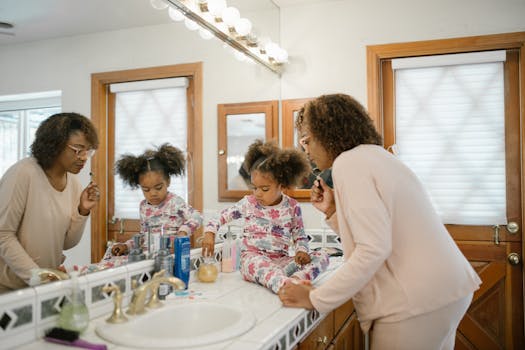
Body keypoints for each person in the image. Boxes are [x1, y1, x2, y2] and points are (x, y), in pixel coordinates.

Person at [278, 94, 482, 350]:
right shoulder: (376, 157)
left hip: (414, 301)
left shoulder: (349, 163)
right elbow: (378, 236)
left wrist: (315, 298)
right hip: (445, 291)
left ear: (328, 131)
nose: (305, 150)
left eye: (306, 140)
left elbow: (373, 248)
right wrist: (331, 212)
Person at [202, 140, 329, 294]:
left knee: (322, 256)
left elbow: (300, 235)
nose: (258, 193)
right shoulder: (248, 203)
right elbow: (220, 217)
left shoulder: (292, 206)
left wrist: (301, 251)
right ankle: (286, 286)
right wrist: (209, 233)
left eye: (265, 188)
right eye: (254, 187)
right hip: (252, 260)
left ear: (281, 185)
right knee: (258, 265)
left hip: (281, 261)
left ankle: (296, 278)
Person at [0, 112, 100, 293]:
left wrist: (82, 210)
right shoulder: (23, 174)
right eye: (78, 149)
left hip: (43, 287)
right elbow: (3, 235)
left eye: (88, 151)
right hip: (9, 288)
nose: (84, 157)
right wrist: (38, 277)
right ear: (55, 145)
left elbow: (66, 243)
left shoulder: (74, 185)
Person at [111, 143, 202, 256]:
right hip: (148, 259)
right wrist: (126, 246)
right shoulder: (144, 206)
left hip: (170, 257)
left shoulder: (175, 202)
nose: (153, 193)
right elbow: (143, 236)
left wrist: (183, 232)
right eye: (146, 189)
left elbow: (197, 217)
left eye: (158, 187)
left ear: (168, 181)